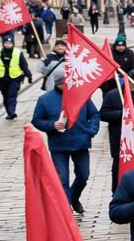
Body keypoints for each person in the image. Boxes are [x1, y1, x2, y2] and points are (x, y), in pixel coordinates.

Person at [33, 75, 102, 215]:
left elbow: (94, 114)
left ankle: (74, 198)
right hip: (59, 146)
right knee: (62, 178)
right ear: (58, 84)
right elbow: (37, 120)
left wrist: (91, 130)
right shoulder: (45, 99)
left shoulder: (81, 96)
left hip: (81, 143)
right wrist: (52, 125)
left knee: (83, 175)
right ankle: (65, 209)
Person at [0, 34, 29, 120]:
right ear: (3, 43)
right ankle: (8, 112)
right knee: (5, 96)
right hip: (2, 79)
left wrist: (28, 74)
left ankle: (12, 111)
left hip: (15, 78)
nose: (8, 44)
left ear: (13, 44)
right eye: (6, 42)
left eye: (10, 43)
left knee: (12, 95)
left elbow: (24, 65)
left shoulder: (18, 53)